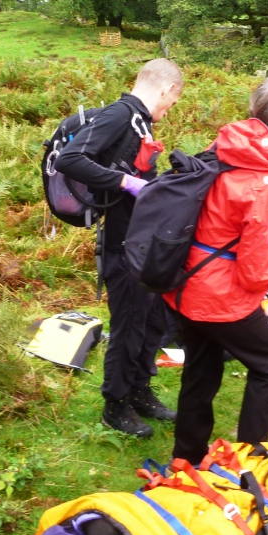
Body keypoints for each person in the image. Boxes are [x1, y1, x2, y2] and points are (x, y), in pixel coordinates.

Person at [164, 75, 268, 464]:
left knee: (201, 367)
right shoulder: (264, 184)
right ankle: (250, 459)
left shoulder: (224, 147)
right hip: (219, 298)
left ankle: (187, 456)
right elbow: (258, 275)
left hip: (184, 283)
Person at [54, 59, 183, 437]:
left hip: (142, 239)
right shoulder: (121, 114)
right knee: (128, 324)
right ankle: (115, 405)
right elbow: (71, 159)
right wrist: (126, 183)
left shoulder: (140, 121)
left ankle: (141, 390)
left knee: (152, 318)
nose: (167, 111)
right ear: (164, 91)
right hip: (121, 244)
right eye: (171, 103)